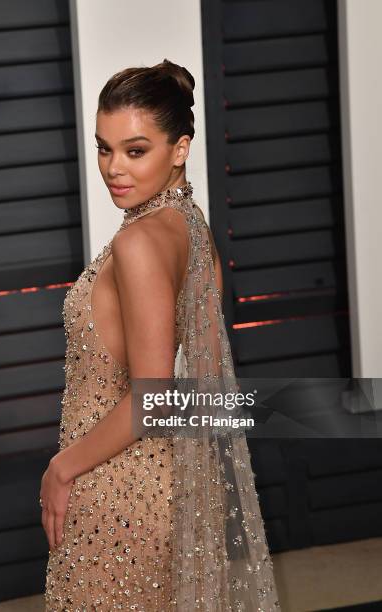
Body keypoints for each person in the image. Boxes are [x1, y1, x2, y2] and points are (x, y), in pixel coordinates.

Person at [42, 59, 281, 611]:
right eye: (103, 148)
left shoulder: (140, 242)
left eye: (135, 150)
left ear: (179, 150)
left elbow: (155, 397)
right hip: (167, 487)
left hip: (113, 489)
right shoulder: (191, 227)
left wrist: (63, 467)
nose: (113, 168)